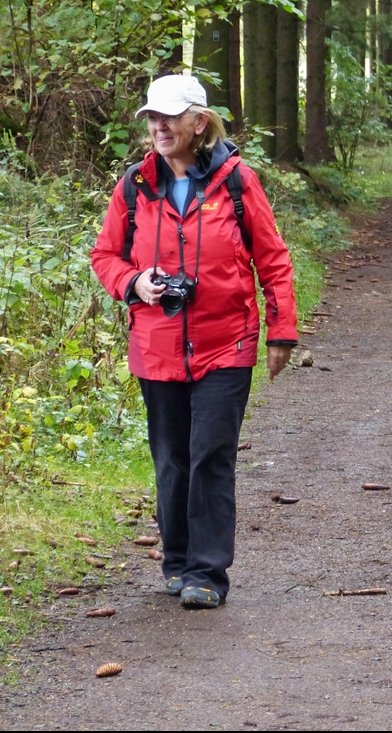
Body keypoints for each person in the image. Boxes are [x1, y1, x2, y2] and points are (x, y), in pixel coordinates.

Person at [91, 75, 298, 609]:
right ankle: (176, 561)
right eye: (151, 118)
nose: (158, 127)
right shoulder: (135, 184)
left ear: (198, 122)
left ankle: (207, 573)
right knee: (171, 459)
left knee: (210, 455)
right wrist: (133, 283)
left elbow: (272, 260)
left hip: (226, 343)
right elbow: (105, 257)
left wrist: (282, 331)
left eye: (168, 117)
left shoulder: (236, 181)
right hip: (156, 345)